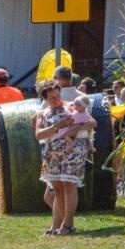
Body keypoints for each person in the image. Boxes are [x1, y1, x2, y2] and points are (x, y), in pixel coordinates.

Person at [34, 79, 90, 235]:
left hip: (72, 151)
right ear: (45, 99)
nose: (56, 99)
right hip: (52, 153)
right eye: (51, 98)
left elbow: (92, 122)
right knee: (57, 189)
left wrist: (76, 127)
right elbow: (38, 135)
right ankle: (59, 224)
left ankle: (68, 224)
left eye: (58, 95)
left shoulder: (73, 106)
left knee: (69, 185)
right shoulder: (42, 113)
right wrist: (57, 126)